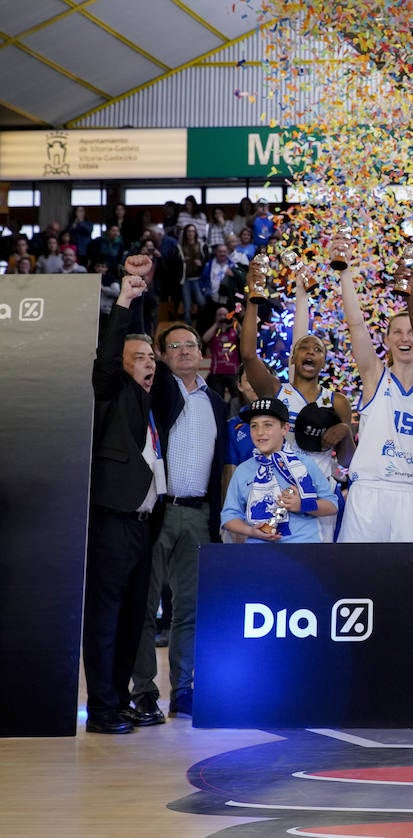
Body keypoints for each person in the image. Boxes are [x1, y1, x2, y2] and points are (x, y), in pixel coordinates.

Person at [128, 273, 230, 721]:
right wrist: (138, 294)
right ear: (162, 357)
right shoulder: (158, 393)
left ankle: (183, 690)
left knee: (189, 609)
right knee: (146, 607)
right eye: (175, 347)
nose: (185, 350)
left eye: (191, 345)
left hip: (198, 515)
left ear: (202, 354)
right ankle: (145, 691)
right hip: (158, 513)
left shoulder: (216, 401)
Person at [84, 257, 166, 734]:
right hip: (111, 521)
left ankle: (118, 705)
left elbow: (138, 344)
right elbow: (112, 354)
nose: (149, 362)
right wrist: (125, 298)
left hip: (142, 525)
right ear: (120, 364)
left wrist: (141, 300)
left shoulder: (147, 402)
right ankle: (101, 708)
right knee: (106, 619)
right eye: (141, 358)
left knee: (134, 619)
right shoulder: (110, 393)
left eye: (152, 357)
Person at [335, 236, 413, 542]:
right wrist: (344, 271)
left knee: (409, 584)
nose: (405, 338)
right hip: (369, 491)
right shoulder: (374, 375)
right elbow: (356, 325)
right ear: (387, 340)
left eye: (411, 332)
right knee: (358, 578)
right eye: (397, 332)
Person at [241, 263, 354, 542]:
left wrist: (346, 432)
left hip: (319, 494)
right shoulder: (276, 390)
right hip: (276, 489)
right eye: (304, 346)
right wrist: (253, 299)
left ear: (323, 362)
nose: (310, 352)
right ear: (292, 358)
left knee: (317, 569)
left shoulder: (337, 401)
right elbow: (247, 356)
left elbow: (348, 459)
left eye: (318, 349)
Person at [220, 398, 339, 543]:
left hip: (302, 547)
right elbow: (228, 516)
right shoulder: (243, 470)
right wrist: (252, 531)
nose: (260, 432)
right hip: (258, 549)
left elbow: (332, 505)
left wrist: (302, 505)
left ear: (285, 429)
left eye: (268, 425)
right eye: (254, 426)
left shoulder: (304, 464)